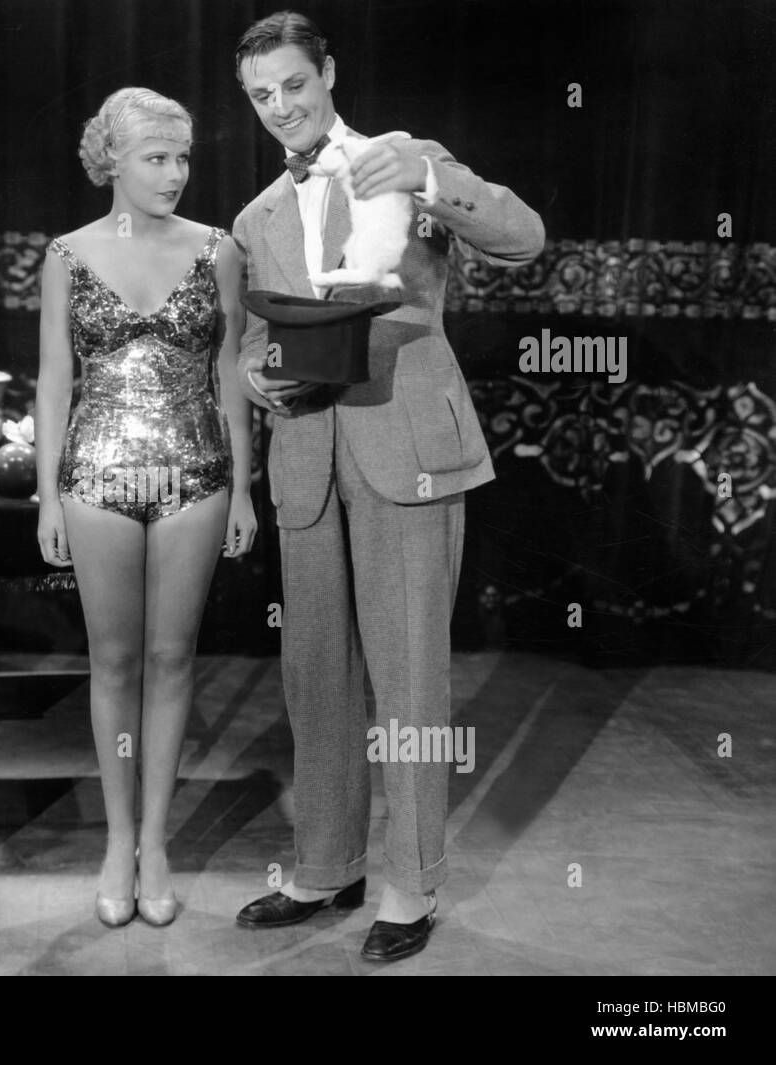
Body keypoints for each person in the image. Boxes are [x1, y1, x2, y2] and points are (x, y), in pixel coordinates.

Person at [230, 11, 545, 960]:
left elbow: (523, 235)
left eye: (293, 84)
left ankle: (411, 884)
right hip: (307, 461)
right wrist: (255, 374)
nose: (281, 107)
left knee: (408, 675)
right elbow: (256, 339)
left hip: (407, 448)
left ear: (328, 72)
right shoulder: (256, 217)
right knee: (314, 674)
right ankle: (326, 865)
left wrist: (431, 181)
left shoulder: (405, 158)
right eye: (260, 96)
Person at [35, 88, 256, 927]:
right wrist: (51, 494)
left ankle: (156, 841)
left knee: (172, 660)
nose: (175, 173)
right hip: (95, 477)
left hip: (195, 473)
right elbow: (55, 380)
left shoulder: (219, 249)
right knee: (114, 663)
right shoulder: (67, 253)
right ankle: (116, 839)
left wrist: (244, 485)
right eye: (156, 158)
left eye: (183, 157)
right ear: (112, 162)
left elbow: (230, 375)